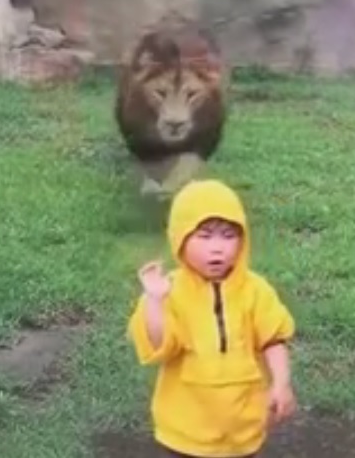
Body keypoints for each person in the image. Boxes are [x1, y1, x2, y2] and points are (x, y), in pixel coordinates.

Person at [126, 179, 296, 458]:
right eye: (204, 237)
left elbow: (273, 339)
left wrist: (281, 382)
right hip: (185, 431)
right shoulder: (170, 291)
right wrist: (155, 301)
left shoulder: (255, 290)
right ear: (180, 238)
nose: (217, 248)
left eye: (228, 236)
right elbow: (160, 347)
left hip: (243, 428)